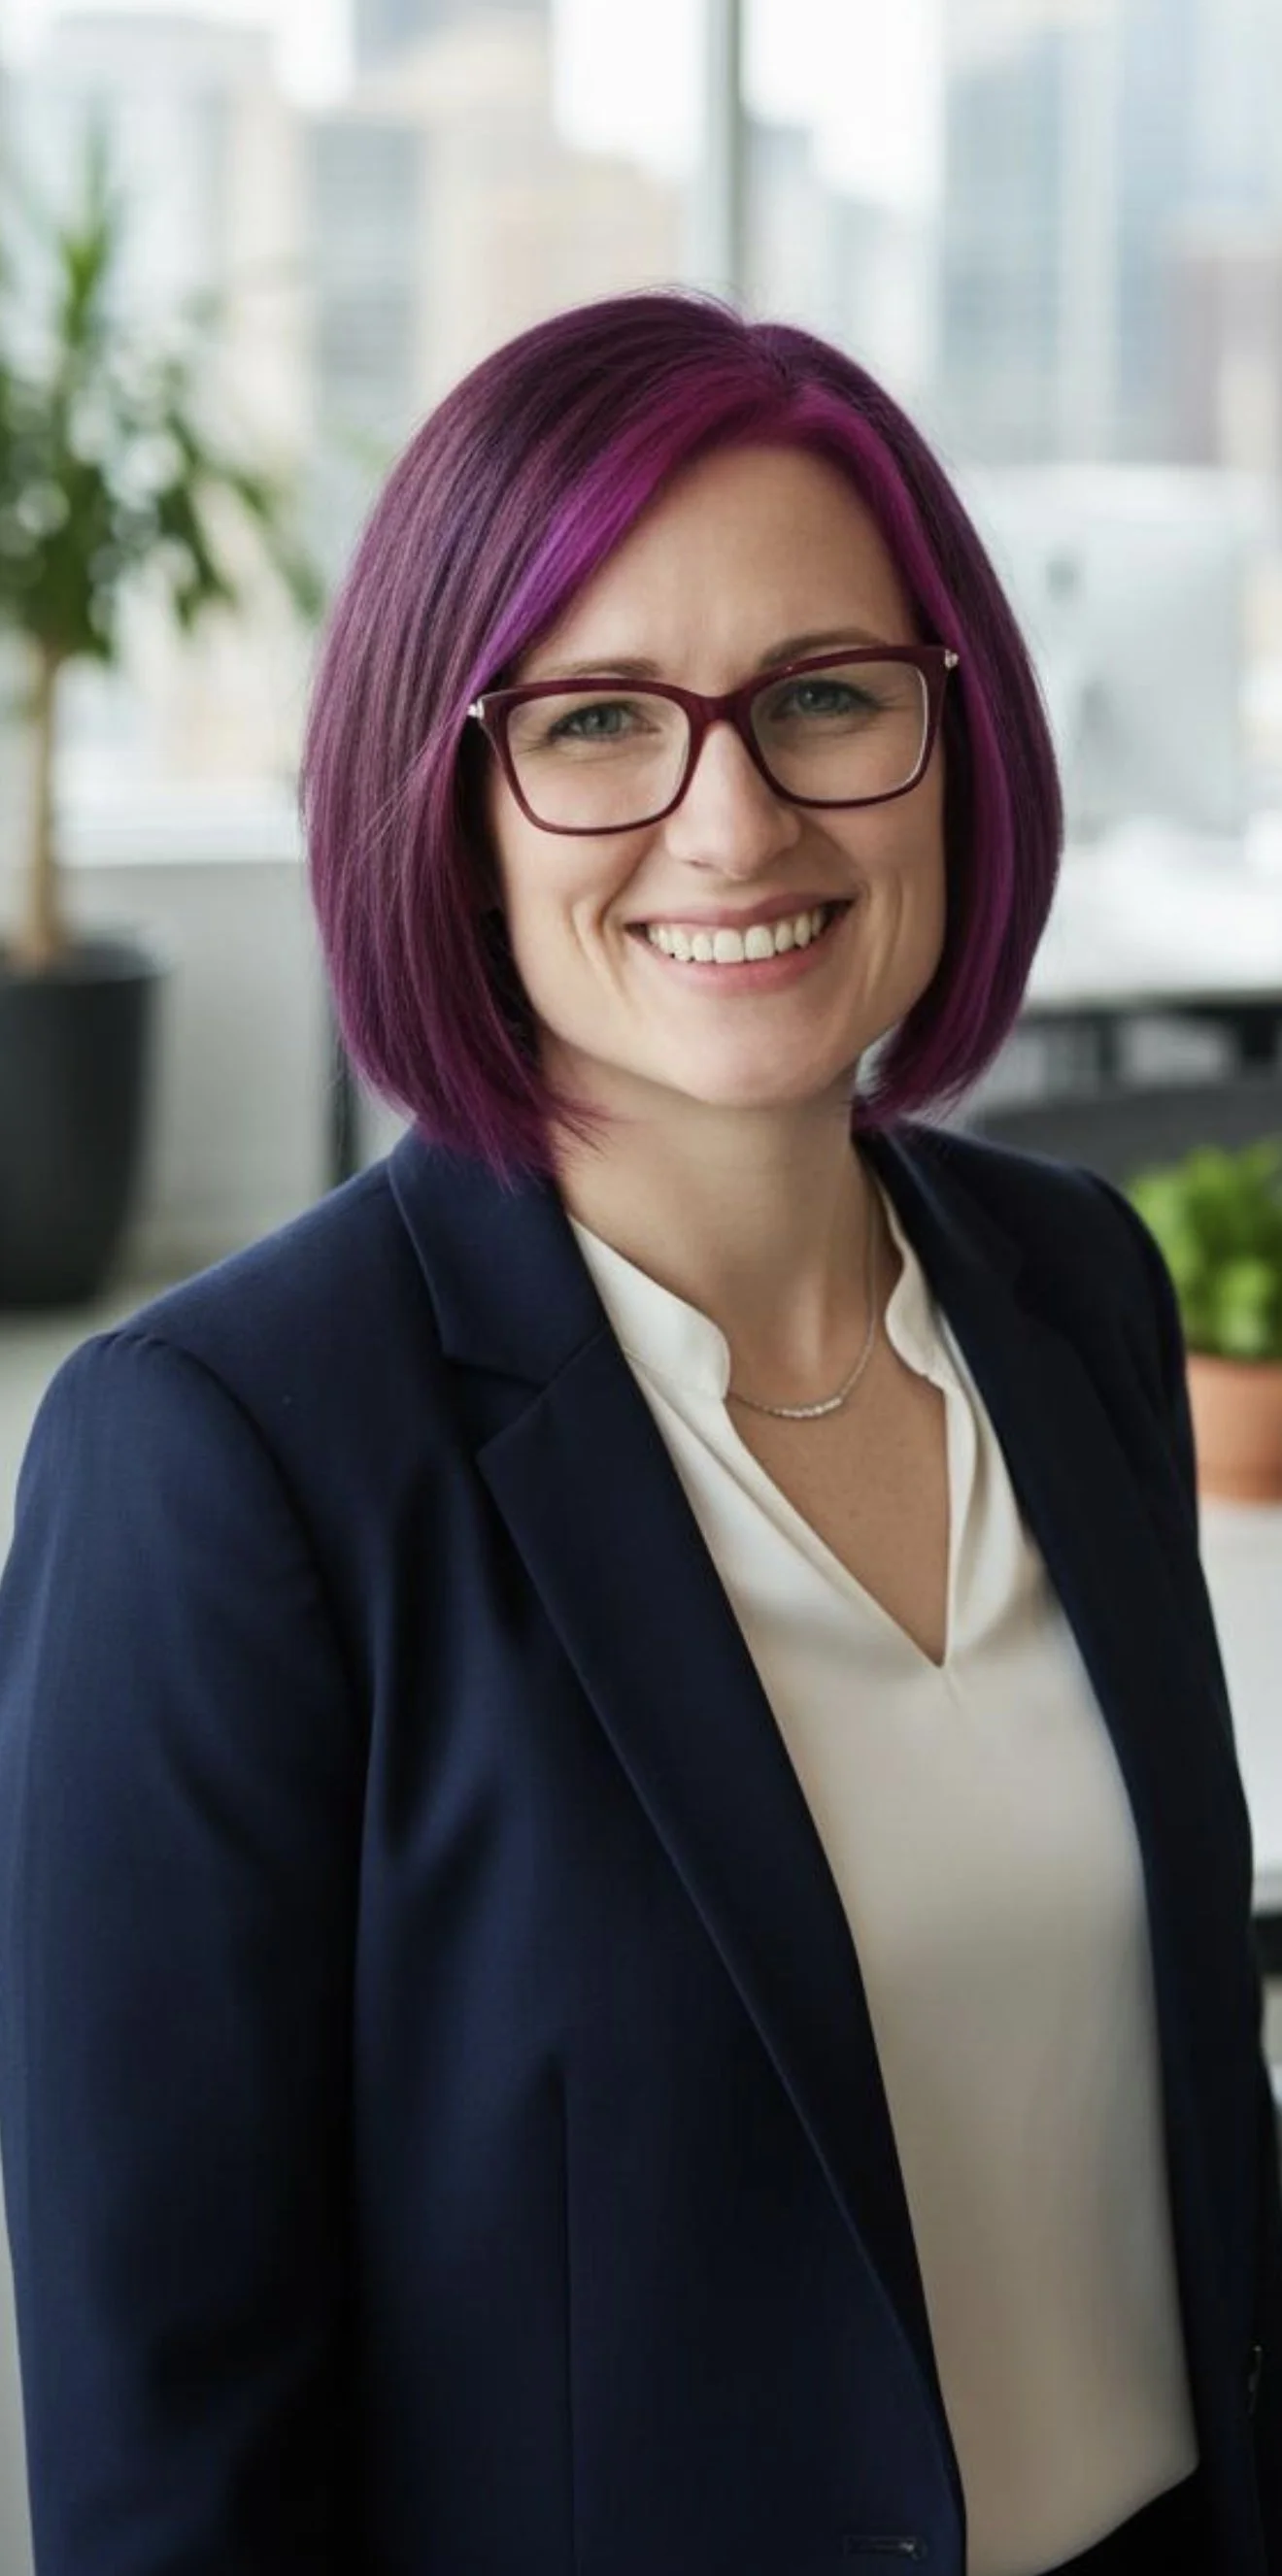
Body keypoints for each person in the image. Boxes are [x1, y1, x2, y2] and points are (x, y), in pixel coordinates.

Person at [0, 289, 1277, 2576]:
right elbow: (171, 2450)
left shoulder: (1077, 1289)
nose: (736, 817)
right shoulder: (218, 1464)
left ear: (952, 733)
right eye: (600, 722)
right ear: (451, 791)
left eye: (823, 696)